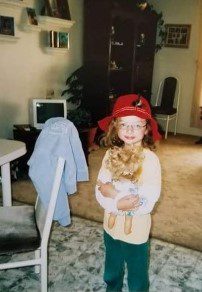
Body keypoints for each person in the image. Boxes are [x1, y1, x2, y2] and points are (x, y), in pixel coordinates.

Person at [95, 94, 161, 292]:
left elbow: (150, 197)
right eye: (124, 124)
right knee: (112, 268)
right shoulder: (109, 154)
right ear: (115, 126)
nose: (130, 130)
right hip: (110, 225)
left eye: (137, 125)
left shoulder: (150, 160)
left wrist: (116, 199)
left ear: (146, 128)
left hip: (137, 229)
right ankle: (112, 288)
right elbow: (100, 189)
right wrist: (114, 203)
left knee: (137, 272)